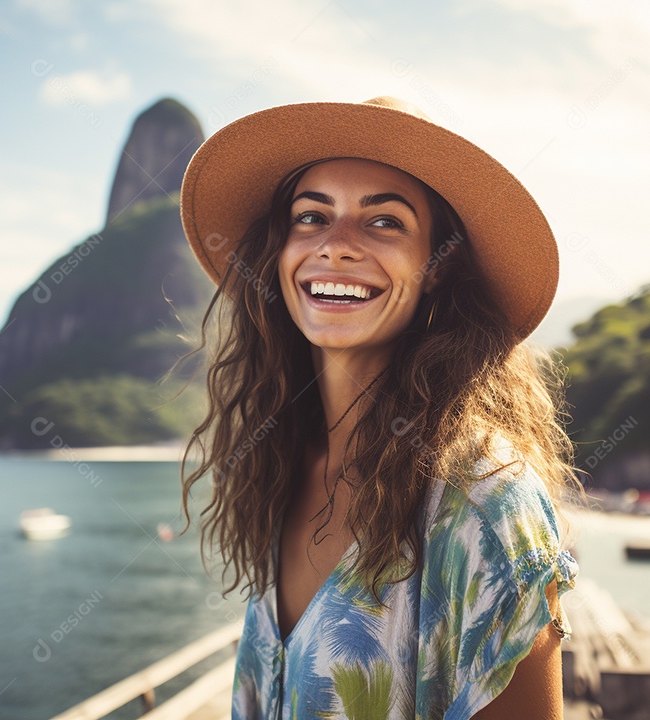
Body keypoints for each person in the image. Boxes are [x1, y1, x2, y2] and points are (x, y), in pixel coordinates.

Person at [177, 96, 580, 719]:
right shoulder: (278, 464)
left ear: (439, 269)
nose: (335, 246)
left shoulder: (483, 501)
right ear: (278, 253)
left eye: (384, 222)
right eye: (311, 217)